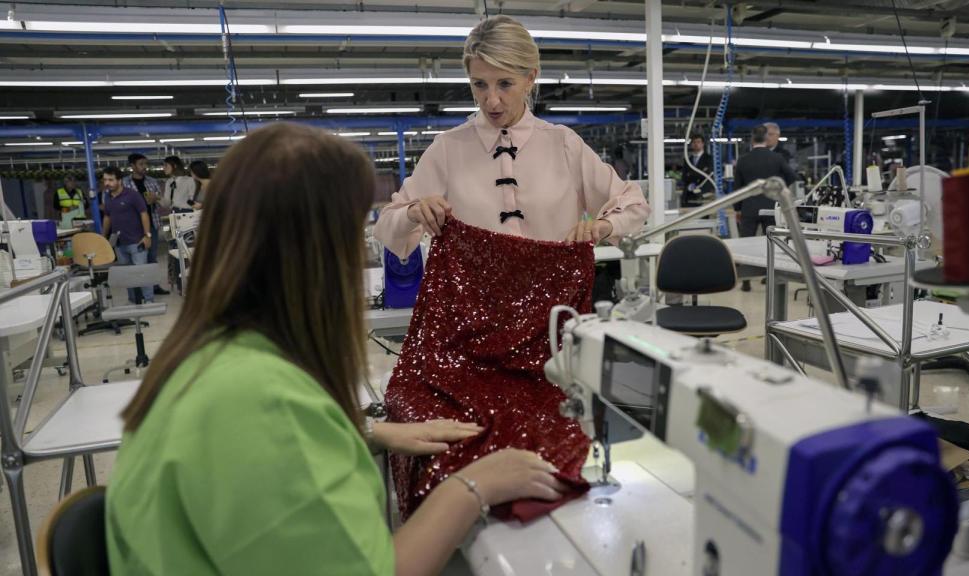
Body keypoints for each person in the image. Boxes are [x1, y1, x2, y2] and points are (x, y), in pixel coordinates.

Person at [105, 123, 567, 576]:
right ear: (317, 255)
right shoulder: (258, 403)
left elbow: (255, 465)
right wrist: (474, 485)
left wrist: (364, 432)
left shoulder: (209, 355)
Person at [374, 15, 649, 257]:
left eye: (505, 84)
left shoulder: (564, 144)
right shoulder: (447, 149)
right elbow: (386, 227)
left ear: (530, 78)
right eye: (479, 85)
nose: (491, 101)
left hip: (557, 307)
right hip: (475, 310)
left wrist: (603, 226)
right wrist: (412, 213)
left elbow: (635, 205)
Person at [734, 124, 797, 291]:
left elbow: (738, 188)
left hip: (749, 207)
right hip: (771, 206)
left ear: (752, 139)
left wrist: (737, 209)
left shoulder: (743, 160)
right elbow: (792, 176)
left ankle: (746, 281)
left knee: (746, 243)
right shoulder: (777, 158)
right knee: (771, 243)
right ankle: (770, 277)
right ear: (766, 138)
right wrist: (778, 189)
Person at [101, 166, 154, 304]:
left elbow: (144, 214)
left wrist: (147, 235)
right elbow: (107, 217)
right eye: (105, 180)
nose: (107, 183)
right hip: (120, 243)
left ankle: (149, 300)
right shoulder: (107, 197)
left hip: (137, 241)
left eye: (111, 180)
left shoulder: (132, 195)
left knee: (141, 272)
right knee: (127, 275)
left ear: (119, 180)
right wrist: (103, 237)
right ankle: (133, 300)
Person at [123, 153, 169, 295]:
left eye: (145, 164)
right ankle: (139, 290)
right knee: (136, 259)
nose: (144, 167)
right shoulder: (124, 183)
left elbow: (162, 202)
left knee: (151, 257)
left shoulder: (152, 181)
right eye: (141, 164)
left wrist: (156, 199)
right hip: (134, 227)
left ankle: (154, 286)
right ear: (132, 166)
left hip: (151, 224)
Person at [680, 134, 714, 207]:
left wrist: (691, 174)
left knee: (703, 216)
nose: (696, 144)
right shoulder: (688, 160)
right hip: (689, 195)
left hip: (704, 195)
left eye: (698, 142)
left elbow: (708, 175)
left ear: (702, 144)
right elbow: (684, 177)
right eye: (694, 142)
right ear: (691, 144)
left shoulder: (709, 159)